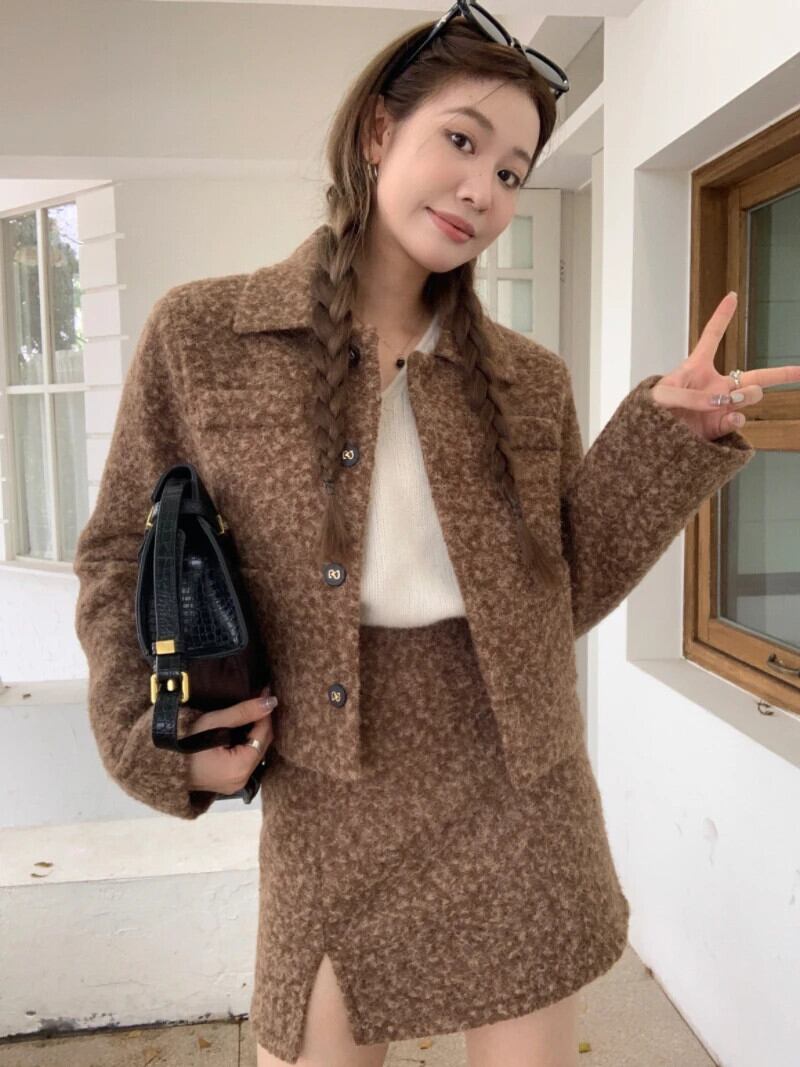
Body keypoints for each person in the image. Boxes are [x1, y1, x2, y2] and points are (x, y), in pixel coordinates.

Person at [74, 4, 787, 1066]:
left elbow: (560, 590)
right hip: (332, 793)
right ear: (378, 131)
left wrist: (663, 442)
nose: (481, 189)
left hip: (519, 789)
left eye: (511, 172)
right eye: (460, 139)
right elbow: (116, 555)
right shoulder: (207, 335)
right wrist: (153, 740)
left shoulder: (528, 381)